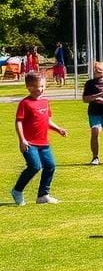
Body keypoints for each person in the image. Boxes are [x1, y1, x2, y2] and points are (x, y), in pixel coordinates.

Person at [12, 71, 69, 206]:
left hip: (44, 143)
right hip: (29, 143)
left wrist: (58, 129)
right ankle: (17, 190)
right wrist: (22, 140)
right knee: (35, 166)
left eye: (43, 86)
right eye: (38, 87)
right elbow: (18, 122)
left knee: (50, 166)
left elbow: (47, 120)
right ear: (29, 87)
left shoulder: (45, 101)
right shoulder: (25, 103)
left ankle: (43, 195)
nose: (41, 89)